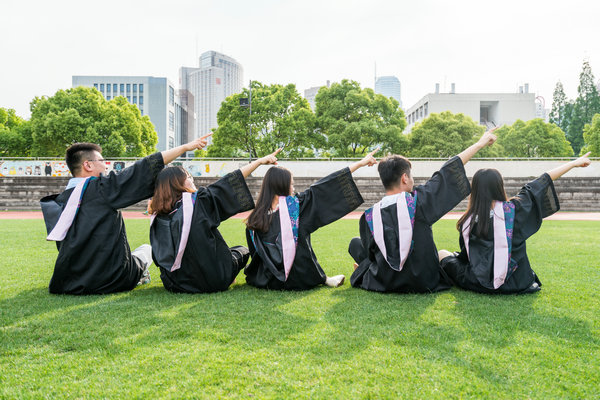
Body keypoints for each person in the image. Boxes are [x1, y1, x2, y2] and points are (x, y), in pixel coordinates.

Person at [41, 135, 210, 295]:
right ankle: (141, 275)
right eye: (101, 161)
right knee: (146, 250)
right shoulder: (101, 188)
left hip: (69, 282)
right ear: (88, 165)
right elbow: (143, 168)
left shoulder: (60, 201)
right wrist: (186, 147)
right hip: (110, 279)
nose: (106, 166)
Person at [349, 129, 498, 293]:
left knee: (355, 243)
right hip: (424, 279)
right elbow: (448, 171)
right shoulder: (418, 201)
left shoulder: (369, 215)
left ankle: (361, 271)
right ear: (405, 178)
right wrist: (479, 143)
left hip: (386, 280)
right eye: (410, 176)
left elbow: (372, 255)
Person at [438, 152, 592, 294]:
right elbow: (542, 181)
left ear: (475, 190)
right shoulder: (515, 210)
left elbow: (467, 257)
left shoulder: (468, 221)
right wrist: (573, 163)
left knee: (443, 254)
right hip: (516, 282)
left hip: (476, 282)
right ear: (500, 186)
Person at [148, 149, 281, 293]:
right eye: (188, 176)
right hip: (215, 280)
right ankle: (231, 276)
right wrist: (259, 162)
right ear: (177, 183)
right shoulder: (199, 202)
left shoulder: (157, 217)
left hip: (175, 284)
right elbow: (230, 181)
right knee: (242, 251)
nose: (192, 179)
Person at [244, 149, 378, 290]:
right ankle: (323, 278)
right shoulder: (295, 208)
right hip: (299, 278)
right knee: (299, 233)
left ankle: (324, 278)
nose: (293, 188)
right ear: (281, 186)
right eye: (291, 184)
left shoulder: (254, 219)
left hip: (267, 280)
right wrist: (360, 163)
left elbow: (256, 255)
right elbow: (326, 185)